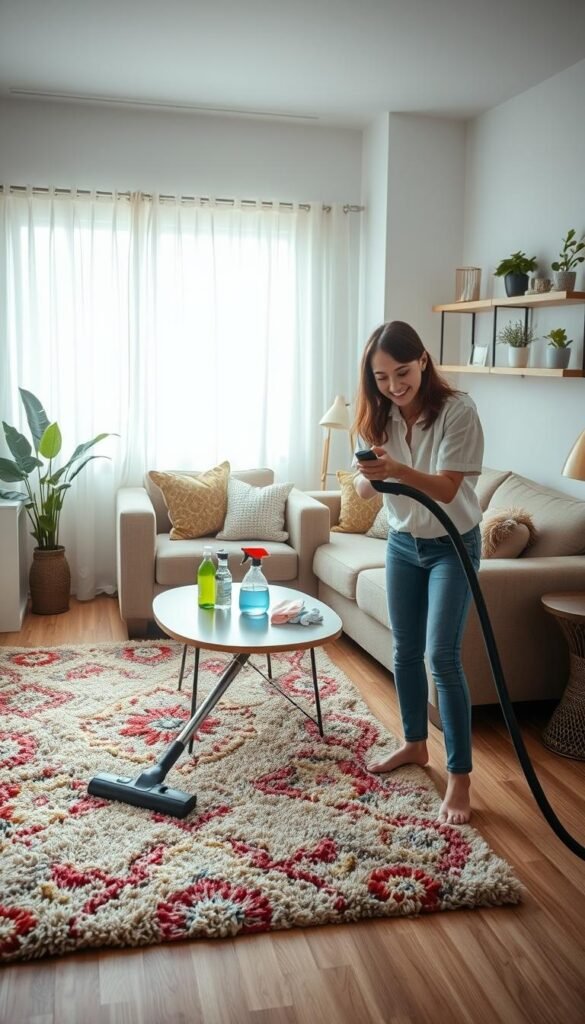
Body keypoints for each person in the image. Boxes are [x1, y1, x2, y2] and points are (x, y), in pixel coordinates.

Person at [353, 320, 484, 825]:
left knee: (441, 657)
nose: (393, 386)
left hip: (453, 545)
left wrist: (398, 471)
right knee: (404, 650)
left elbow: (449, 489)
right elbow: (367, 492)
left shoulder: (457, 411)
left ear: (423, 361)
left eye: (401, 372)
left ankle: (460, 776)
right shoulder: (380, 413)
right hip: (403, 544)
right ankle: (413, 744)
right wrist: (371, 471)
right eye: (381, 377)